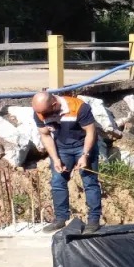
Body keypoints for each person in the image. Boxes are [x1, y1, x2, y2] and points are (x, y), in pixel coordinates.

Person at [31, 91, 102, 231]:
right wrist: (55, 158)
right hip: (62, 148)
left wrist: (85, 155)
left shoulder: (79, 107)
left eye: (46, 113)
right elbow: (45, 136)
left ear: (54, 104)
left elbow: (90, 132)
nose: (43, 117)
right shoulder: (40, 112)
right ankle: (60, 219)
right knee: (58, 182)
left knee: (90, 182)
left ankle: (93, 220)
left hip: (84, 145)